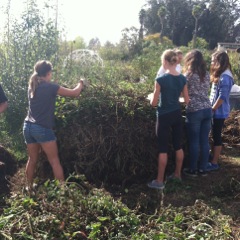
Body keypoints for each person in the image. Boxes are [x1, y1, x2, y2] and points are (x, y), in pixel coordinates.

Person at [23, 60, 85, 188]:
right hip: (42, 128)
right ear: (48, 73)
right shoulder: (50, 87)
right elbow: (74, 93)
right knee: (54, 161)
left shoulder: (32, 86)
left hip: (28, 127)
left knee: (32, 159)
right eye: (51, 73)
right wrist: (81, 83)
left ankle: (28, 188)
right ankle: (62, 191)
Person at [148, 49, 189, 190]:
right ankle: (177, 175)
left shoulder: (160, 80)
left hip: (164, 116)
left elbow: (154, 103)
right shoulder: (183, 78)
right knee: (178, 146)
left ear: (165, 62)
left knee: (163, 149)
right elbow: (187, 100)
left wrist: (152, 99)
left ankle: (159, 181)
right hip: (177, 114)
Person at [182, 50, 212, 177]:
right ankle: (203, 168)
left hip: (194, 110)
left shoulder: (187, 75)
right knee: (204, 140)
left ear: (189, 60)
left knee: (194, 141)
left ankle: (193, 169)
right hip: (207, 109)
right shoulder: (206, 74)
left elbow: (182, 94)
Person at [207, 51, 234, 171]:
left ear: (219, 61)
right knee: (213, 134)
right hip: (215, 110)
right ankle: (212, 157)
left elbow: (222, 97)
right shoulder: (220, 74)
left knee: (216, 136)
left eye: (213, 60)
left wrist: (213, 109)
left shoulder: (225, 76)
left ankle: (214, 162)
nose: (212, 63)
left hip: (219, 111)